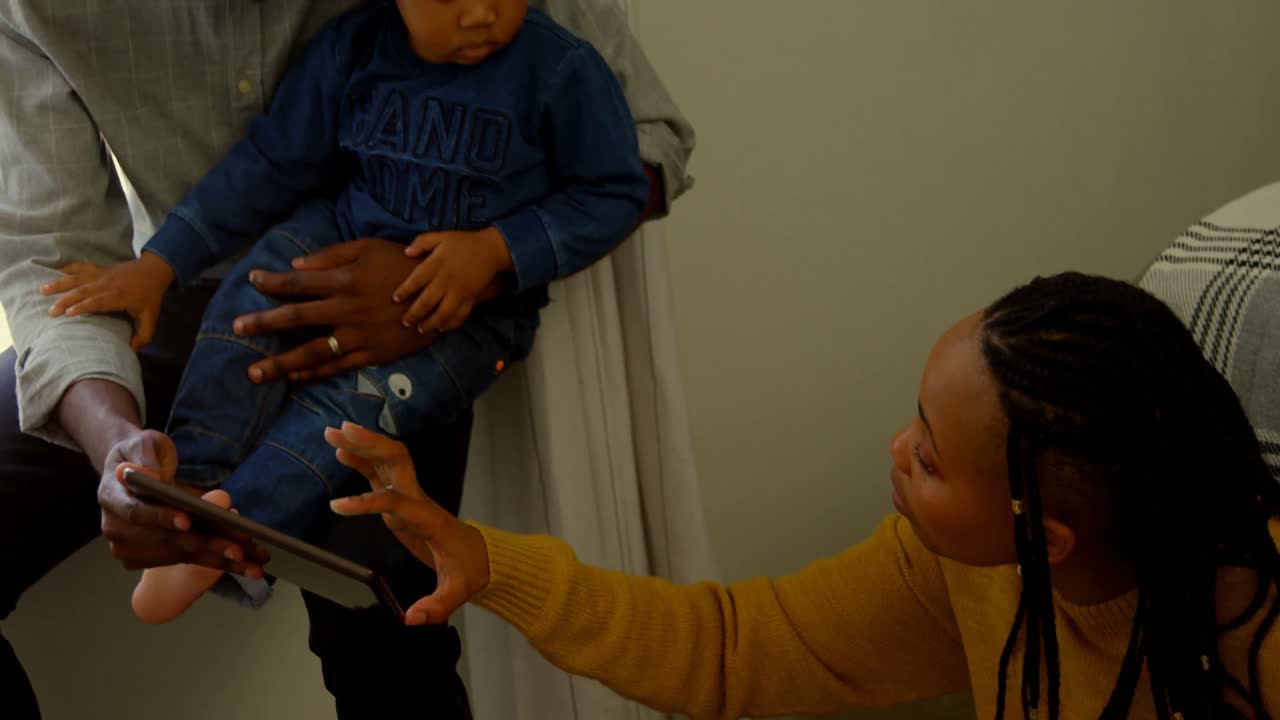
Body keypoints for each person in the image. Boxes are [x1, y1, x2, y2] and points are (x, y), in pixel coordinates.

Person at [0, 1, 692, 717]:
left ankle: (229, 521)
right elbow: (62, 254)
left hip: (441, 321)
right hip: (223, 280)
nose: (478, 11)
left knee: (386, 626)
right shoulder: (352, 49)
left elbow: (646, 155)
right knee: (232, 348)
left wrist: (478, 267)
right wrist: (119, 442)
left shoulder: (554, 62)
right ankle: (195, 503)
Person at [321, 272, 1280, 719]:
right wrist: (488, 564)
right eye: (916, 422)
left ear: (1050, 538)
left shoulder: (1259, 631)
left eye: (933, 458)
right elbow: (737, 648)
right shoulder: (956, 570)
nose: (896, 450)